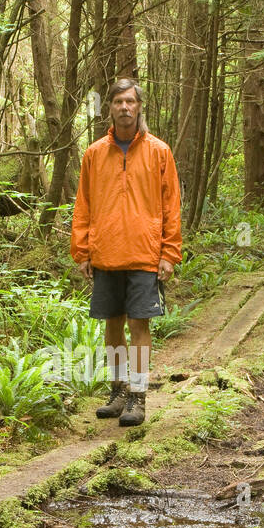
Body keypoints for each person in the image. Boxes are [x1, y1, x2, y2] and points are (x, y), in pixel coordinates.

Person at [71, 78, 182, 426]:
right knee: (113, 324)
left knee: (139, 323)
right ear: (111, 108)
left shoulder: (159, 152)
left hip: (145, 252)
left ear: (138, 107)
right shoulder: (94, 154)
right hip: (106, 252)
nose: (124, 107)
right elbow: (83, 204)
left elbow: (171, 204)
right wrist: (83, 251)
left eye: (130, 102)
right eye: (118, 101)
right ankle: (118, 390)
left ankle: (138, 396)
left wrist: (169, 252)